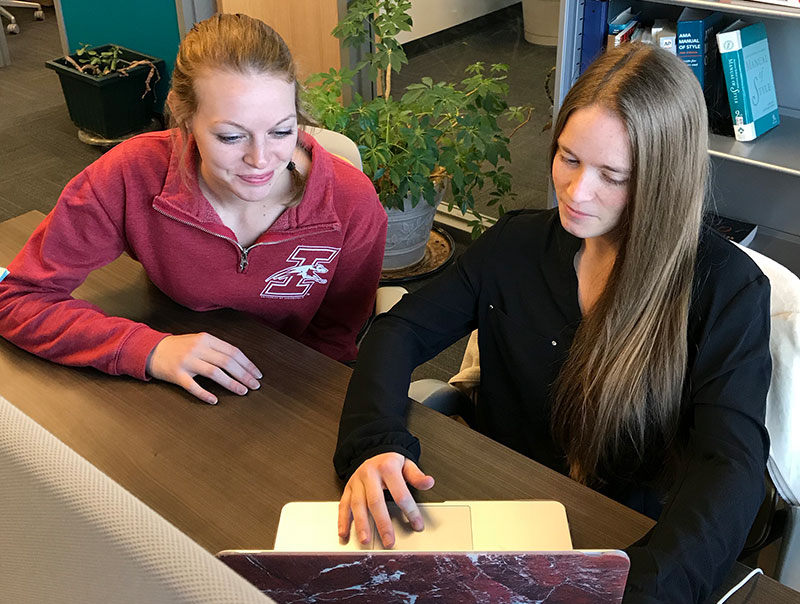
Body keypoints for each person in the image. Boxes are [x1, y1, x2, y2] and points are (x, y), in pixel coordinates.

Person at [333, 42, 771, 604]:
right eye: (568, 157)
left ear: (665, 179)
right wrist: (373, 443)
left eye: (613, 175)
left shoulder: (726, 290)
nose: (576, 191)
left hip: (628, 540)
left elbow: (728, 463)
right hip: (499, 509)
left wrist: (642, 589)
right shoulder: (518, 243)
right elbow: (401, 329)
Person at [0, 14, 387, 405]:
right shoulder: (132, 173)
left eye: (282, 130)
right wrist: (145, 349)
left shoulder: (350, 201)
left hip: (289, 394)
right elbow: (16, 296)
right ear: (185, 118)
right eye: (231, 136)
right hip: (177, 375)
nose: (261, 159)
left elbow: (336, 341)